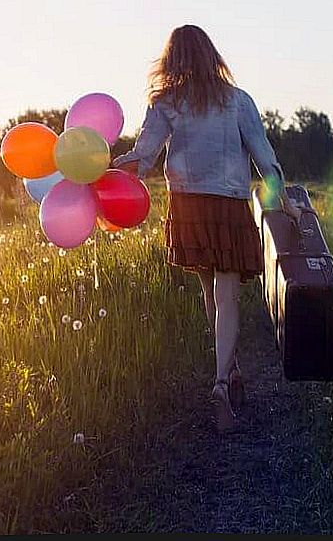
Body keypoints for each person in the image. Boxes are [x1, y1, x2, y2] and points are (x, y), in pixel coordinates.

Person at [111, 24, 302, 433]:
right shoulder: (238, 101)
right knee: (227, 297)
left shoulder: (166, 103)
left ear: (172, 59)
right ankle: (221, 382)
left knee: (210, 296)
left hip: (189, 205)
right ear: (211, 55)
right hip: (229, 204)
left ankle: (229, 375)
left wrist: (106, 173)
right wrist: (285, 202)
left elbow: (142, 158)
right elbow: (265, 159)